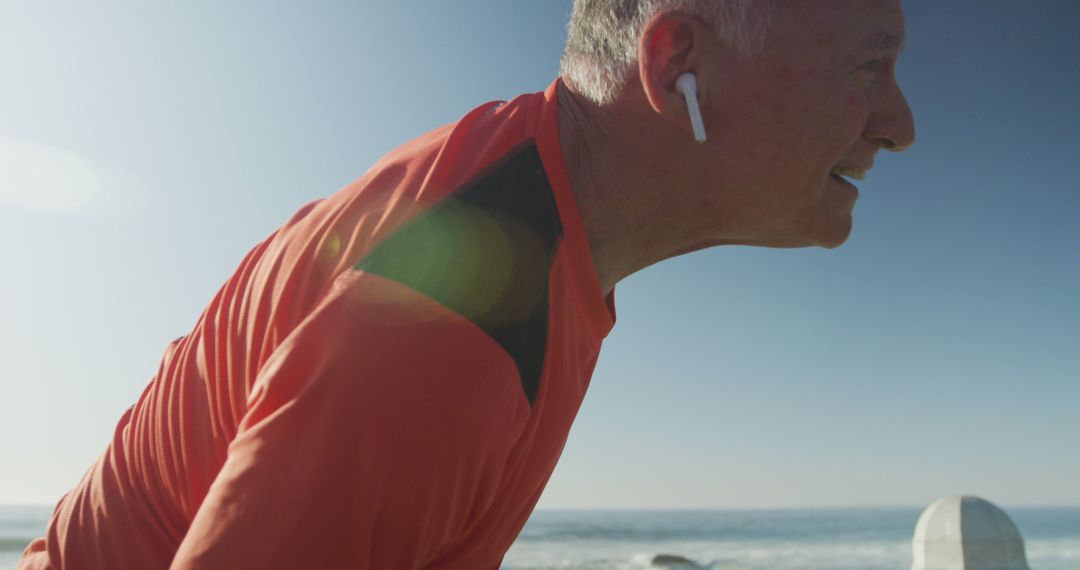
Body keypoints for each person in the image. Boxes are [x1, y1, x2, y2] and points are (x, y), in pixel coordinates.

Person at [19, 0, 914, 568]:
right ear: (676, 60)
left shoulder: (531, 211)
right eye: (870, 66)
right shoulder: (453, 324)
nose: (899, 123)